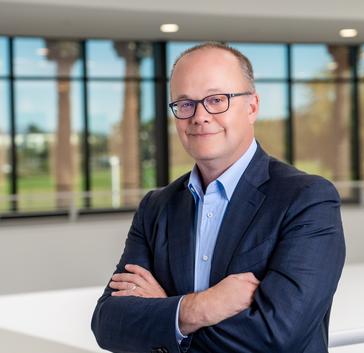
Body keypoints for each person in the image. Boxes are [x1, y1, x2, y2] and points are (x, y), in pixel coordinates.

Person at [91, 42, 346, 353]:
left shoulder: (307, 199)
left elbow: (276, 337)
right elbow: (108, 323)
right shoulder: (156, 207)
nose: (199, 116)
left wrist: (168, 315)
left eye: (216, 100)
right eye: (185, 104)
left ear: (252, 107)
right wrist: (199, 308)